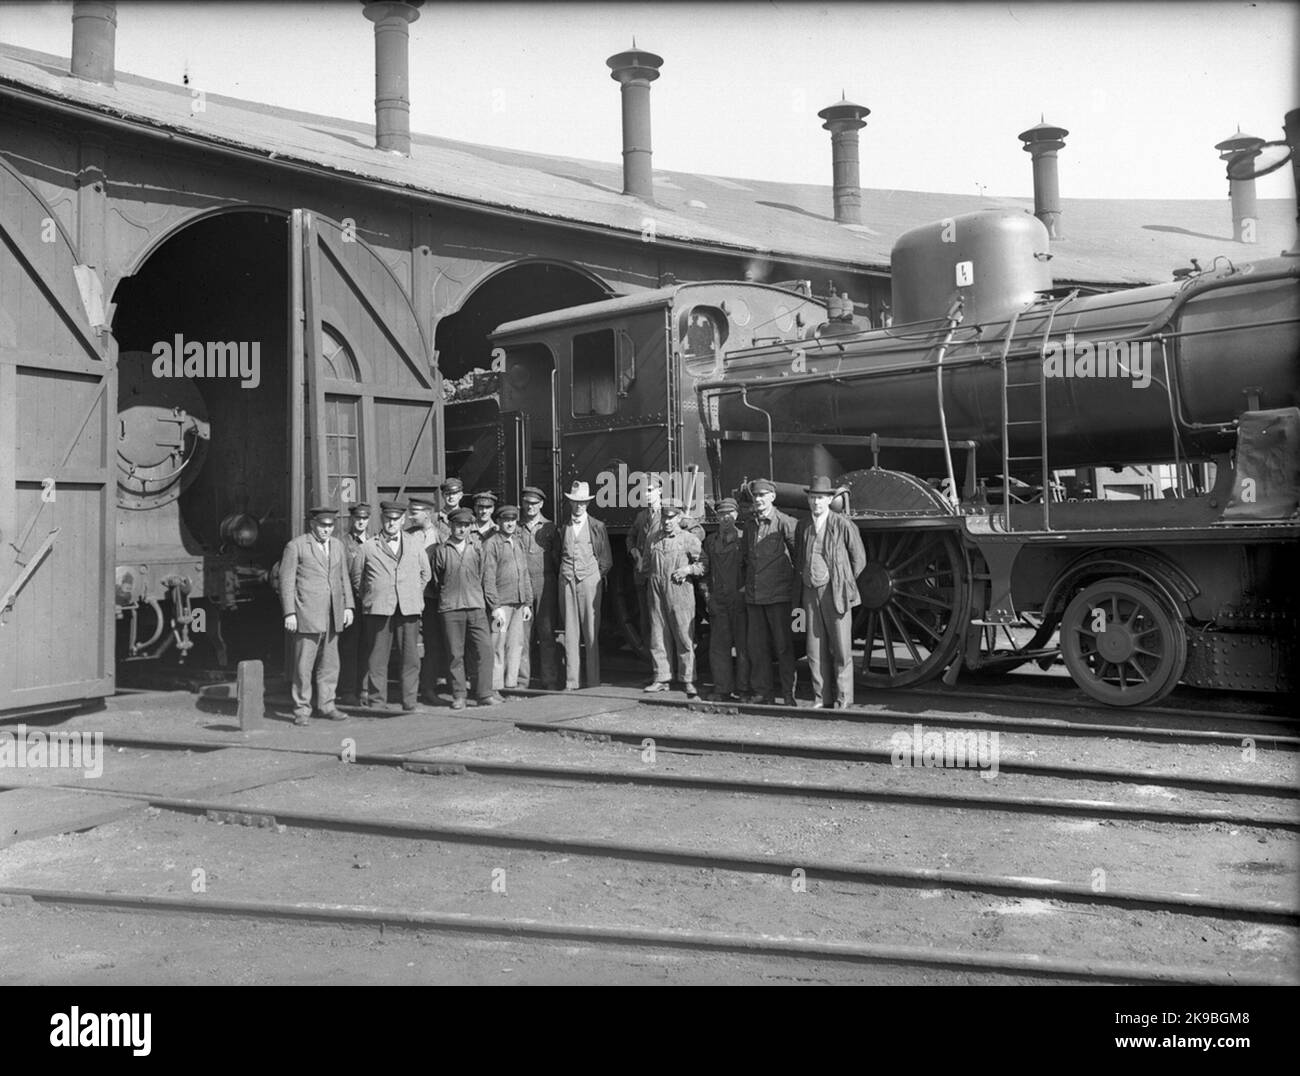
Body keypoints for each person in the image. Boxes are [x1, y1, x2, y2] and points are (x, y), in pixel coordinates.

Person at [350, 501, 430, 713]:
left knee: (410, 657)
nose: (392, 523)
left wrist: (411, 594)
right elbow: (357, 579)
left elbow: (425, 574)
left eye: (396, 519)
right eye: (388, 519)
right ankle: (377, 702)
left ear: (402, 520)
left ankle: (409, 701)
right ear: (382, 520)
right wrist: (373, 596)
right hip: (378, 610)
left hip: (408, 609)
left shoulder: (415, 543)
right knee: (377, 658)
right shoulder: (367, 547)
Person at [794, 476, 867, 709]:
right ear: (808, 500)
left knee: (842, 648)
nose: (816, 503)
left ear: (829, 500)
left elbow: (859, 559)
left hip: (836, 592)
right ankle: (820, 697)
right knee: (814, 648)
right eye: (813, 498)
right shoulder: (803, 525)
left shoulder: (843, 524)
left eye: (821, 498)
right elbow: (799, 558)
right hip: (810, 592)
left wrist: (843, 581)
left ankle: (843, 697)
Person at [278, 506, 355, 725]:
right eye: (322, 525)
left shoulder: (338, 546)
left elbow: (344, 579)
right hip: (306, 614)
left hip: (333, 614)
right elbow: (286, 582)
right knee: (304, 666)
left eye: (330, 526)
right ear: (313, 525)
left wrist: (348, 606)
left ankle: (327, 704)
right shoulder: (296, 546)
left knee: (330, 664)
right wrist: (289, 613)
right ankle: (302, 709)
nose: (326, 530)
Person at [431, 506, 497, 709]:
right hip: (451, 609)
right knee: (455, 654)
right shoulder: (441, 551)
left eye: (466, 526)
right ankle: (459, 695)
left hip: (476, 606)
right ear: (450, 526)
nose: (461, 529)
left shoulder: (477, 548)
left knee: (484, 649)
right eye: (458, 525)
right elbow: (436, 580)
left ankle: (484, 693)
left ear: (471, 527)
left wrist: (494, 606)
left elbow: (486, 577)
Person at [743, 478, 799, 705]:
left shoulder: (786, 523)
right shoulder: (750, 525)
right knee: (757, 649)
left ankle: (788, 694)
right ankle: (762, 692)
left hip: (779, 596)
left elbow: (798, 559)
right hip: (755, 596)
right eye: (756, 496)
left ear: (772, 497)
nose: (758, 499)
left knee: (784, 647)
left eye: (763, 495)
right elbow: (747, 558)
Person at [642, 498, 705, 697]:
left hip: (680, 592)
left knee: (684, 636)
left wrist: (688, 569)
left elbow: (704, 564)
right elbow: (645, 564)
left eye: (671, 517)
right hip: (656, 591)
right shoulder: (652, 538)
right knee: (658, 636)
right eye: (664, 517)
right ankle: (661, 678)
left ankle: (688, 680)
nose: (667, 521)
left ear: (679, 517)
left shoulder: (689, 539)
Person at [557, 480, 612, 690]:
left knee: (591, 633)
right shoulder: (563, 527)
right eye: (575, 502)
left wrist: (594, 576)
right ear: (570, 503)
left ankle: (593, 682)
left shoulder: (598, 526)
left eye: (582, 502)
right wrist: (566, 574)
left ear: (587, 504)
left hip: (589, 581)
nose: (579, 506)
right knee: (570, 632)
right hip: (567, 581)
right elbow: (558, 555)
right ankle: (571, 682)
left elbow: (606, 559)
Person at [702, 497, 750, 702]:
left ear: (737, 515)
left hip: (740, 600)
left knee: (744, 648)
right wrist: (707, 595)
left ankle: (744, 689)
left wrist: (745, 591)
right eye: (721, 514)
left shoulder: (744, 539)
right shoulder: (710, 542)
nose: (725, 518)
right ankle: (722, 689)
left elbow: (752, 567)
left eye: (729, 513)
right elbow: (704, 570)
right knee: (719, 647)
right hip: (718, 600)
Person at [482, 504, 534, 691]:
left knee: (516, 645)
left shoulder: (517, 542)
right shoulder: (491, 544)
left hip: (519, 605)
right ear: (498, 522)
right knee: (497, 645)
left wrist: (527, 603)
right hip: (501, 606)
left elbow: (525, 573)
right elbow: (488, 578)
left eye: (513, 520)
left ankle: (511, 686)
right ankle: (496, 687)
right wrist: (495, 607)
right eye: (506, 520)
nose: (510, 524)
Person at [519, 486, 560, 690]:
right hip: (522, 585)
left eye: (534, 503)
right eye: (527, 503)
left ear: (541, 504)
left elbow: (558, 558)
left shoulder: (550, 528)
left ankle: (549, 680)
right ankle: (522, 681)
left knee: (547, 633)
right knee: (523, 636)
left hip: (546, 583)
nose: (530, 507)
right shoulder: (517, 527)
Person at [408, 495, 448, 704]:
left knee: (433, 645)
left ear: (427, 514)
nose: (410, 516)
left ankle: (429, 689)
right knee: (410, 645)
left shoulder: (443, 536)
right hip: (410, 599)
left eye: (414, 513)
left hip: (433, 599)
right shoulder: (406, 536)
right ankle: (409, 690)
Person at [337, 502, 372, 706]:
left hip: (370, 602)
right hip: (350, 602)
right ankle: (348, 690)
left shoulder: (375, 541)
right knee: (349, 647)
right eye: (357, 518)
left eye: (364, 518)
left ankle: (365, 689)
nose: (361, 522)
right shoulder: (342, 543)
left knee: (369, 646)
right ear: (351, 519)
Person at [436, 477, 464, 541]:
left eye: (454, 493)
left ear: (461, 495)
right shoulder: (434, 519)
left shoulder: (468, 518)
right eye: (448, 494)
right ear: (442, 495)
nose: (451, 497)